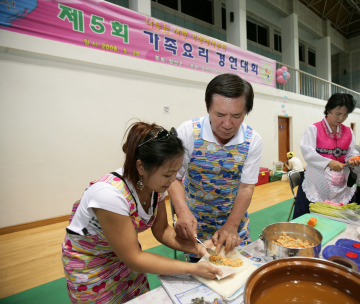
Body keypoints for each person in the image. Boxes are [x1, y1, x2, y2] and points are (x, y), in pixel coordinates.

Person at [61, 122, 222, 303]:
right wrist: (192, 268)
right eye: (168, 174)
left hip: (126, 255)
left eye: (176, 173)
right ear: (141, 167)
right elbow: (134, 258)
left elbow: (161, 230)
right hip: (92, 264)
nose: (172, 181)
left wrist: (200, 248)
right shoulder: (109, 196)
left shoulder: (155, 186)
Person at [167, 73, 263, 260]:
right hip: (194, 224)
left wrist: (232, 226)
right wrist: (183, 212)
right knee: (200, 275)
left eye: (236, 116)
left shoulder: (253, 141)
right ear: (207, 107)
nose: (227, 124)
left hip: (234, 222)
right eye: (219, 115)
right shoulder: (188, 132)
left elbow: (246, 187)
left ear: (246, 112)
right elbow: (173, 178)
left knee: (237, 275)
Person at [292, 93, 360, 219]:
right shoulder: (314, 129)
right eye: (338, 113)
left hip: (341, 183)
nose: (341, 118)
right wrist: (328, 162)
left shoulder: (348, 132)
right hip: (317, 182)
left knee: (340, 216)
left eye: (345, 114)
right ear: (328, 110)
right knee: (313, 217)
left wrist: (352, 160)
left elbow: (350, 153)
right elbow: (308, 153)